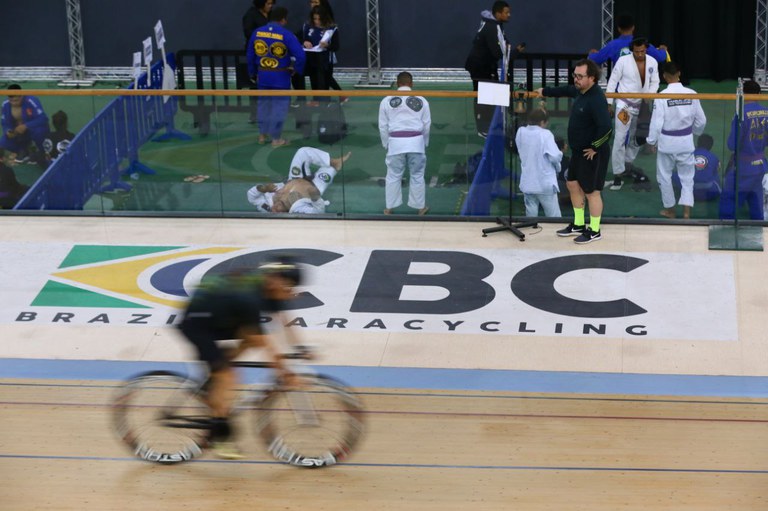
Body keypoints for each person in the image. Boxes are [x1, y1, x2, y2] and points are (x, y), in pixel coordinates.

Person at [178, 257, 307, 459]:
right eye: (290, 286)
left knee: (249, 342)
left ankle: (216, 375)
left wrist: (300, 347)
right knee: (227, 375)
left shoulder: (267, 286)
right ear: (275, 281)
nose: (291, 292)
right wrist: (284, 371)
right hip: (197, 323)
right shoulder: (250, 298)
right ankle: (220, 436)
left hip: (220, 313)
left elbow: (283, 319)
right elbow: (265, 341)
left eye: (294, 287)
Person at [536, 59, 612, 244]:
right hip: (579, 151)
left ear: (592, 78)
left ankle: (594, 230)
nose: (576, 80)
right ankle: (578, 224)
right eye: (575, 75)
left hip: (592, 153)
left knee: (592, 192)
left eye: (580, 76)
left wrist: (595, 147)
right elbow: (565, 90)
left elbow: (607, 128)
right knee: (572, 185)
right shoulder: (580, 91)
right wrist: (545, 91)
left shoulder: (595, 99)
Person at [646, 62, 706, 219]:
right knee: (687, 178)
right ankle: (687, 212)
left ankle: (670, 210)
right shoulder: (692, 93)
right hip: (686, 142)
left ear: (664, 76)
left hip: (667, 143)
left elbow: (656, 123)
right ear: (679, 73)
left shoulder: (661, 96)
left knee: (664, 176)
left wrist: (652, 141)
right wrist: (694, 132)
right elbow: (702, 121)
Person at [605, 38, 660, 190]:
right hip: (624, 105)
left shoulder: (652, 62)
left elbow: (655, 81)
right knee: (620, 138)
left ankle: (627, 163)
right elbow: (612, 81)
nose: (640, 54)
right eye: (637, 52)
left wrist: (650, 95)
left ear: (646, 49)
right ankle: (617, 174)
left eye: (643, 51)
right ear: (632, 50)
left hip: (642, 105)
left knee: (639, 138)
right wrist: (609, 102)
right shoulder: (623, 61)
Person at [247, 6, 306, 148]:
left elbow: (250, 55)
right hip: (280, 76)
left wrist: (252, 73)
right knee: (279, 107)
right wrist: (295, 69)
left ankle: (262, 135)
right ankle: (276, 139)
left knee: (263, 105)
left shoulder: (257, 32)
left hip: (263, 75)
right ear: (283, 20)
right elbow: (301, 55)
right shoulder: (286, 34)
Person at [464, 1, 523, 137]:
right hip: (480, 67)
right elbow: (498, 53)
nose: (509, 15)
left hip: (486, 66)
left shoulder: (496, 25)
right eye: (506, 13)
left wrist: (511, 50)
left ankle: (493, 125)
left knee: (490, 93)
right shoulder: (491, 27)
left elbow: (503, 44)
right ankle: (483, 129)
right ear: (498, 13)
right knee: (483, 96)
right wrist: (514, 53)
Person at [378, 71, 431, 216]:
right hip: (416, 142)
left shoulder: (386, 100)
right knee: (417, 175)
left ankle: (389, 208)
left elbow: (383, 126)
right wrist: (424, 142)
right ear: (411, 84)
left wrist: (386, 143)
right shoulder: (422, 100)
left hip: (395, 142)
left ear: (397, 83)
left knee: (393, 175)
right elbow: (427, 124)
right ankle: (420, 207)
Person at [246, 146, 350, 213]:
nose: (275, 208)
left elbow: (252, 197)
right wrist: (315, 197)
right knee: (331, 170)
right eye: (277, 211)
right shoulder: (298, 211)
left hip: (294, 178)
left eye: (273, 209)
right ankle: (335, 165)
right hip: (315, 186)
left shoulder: (266, 207)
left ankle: (331, 161)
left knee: (303, 152)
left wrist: (262, 189)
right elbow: (319, 211)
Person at [719, 80, 768, 220]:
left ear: (743, 94)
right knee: (755, 198)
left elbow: (732, 145)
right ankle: (758, 228)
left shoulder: (741, 114)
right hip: (760, 165)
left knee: (728, 197)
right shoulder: (766, 112)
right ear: (759, 94)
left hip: (743, 167)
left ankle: (726, 227)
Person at [515, 108, 562, 217]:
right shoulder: (546, 134)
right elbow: (555, 157)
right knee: (554, 218)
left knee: (531, 219)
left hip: (528, 183)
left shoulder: (521, 132)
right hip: (544, 183)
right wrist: (558, 167)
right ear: (542, 122)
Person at [588, 14, 669, 67]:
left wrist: (592, 53)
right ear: (633, 27)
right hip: (640, 90)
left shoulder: (612, 45)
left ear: (619, 29)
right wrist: (663, 50)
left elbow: (595, 59)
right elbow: (660, 57)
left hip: (620, 90)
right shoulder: (642, 43)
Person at [242, 0, 275, 124]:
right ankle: (254, 114)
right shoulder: (250, 15)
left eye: (272, 3)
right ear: (261, 3)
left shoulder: (271, 14)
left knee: (270, 83)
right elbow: (248, 33)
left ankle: (270, 112)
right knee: (256, 84)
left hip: (271, 54)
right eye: (268, 3)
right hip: (257, 52)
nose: (271, 6)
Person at [0, 84, 50, 166]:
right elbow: (5, 122)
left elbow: (43, 118)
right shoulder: (5, 104)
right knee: (3, 142)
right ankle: (24, 151)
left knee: (39, 131)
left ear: (22, 95)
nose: (14, 103)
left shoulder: (32, 100)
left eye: (16, 100)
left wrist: (26, 125)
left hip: (33, 130)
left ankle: (42, 153)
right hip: (18, 133)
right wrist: (8, 131)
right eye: (11, 101)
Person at [301, 6, 339, 106]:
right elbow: (303, 38)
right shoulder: (307, 25)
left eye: (319, 19)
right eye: (315, 19)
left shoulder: (332, 28)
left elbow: (336, 46)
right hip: (311, 58)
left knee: (324, 83)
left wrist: (327, 45)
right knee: (313, 80)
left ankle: (325, 104)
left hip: (325, 60)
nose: (317, 21)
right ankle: (316, 100)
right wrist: (305, 42)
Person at [672, 134, 721, 203]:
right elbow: (716, 171)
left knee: (674, 174)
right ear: (711, 146)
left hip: (690, 193)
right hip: (710, 194)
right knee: (714, 174)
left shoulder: (689, 154)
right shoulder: (714, 157)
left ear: (697, 144)